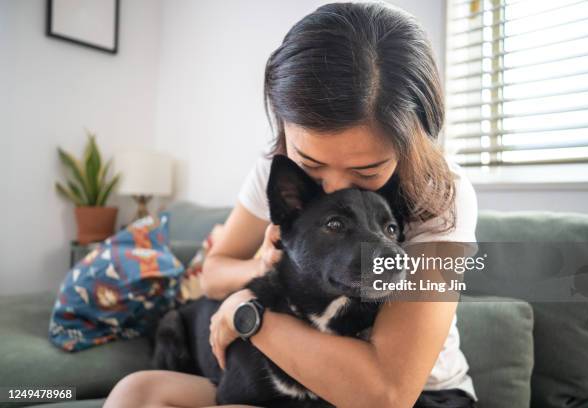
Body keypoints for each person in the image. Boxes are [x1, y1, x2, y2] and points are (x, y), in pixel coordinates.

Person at [104, 2, 478, 407]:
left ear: (415, 140)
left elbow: (386, 394)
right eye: (312, 164)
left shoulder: (440, 193)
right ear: (283, 125)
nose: (334, 187)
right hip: (293, 373)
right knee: (136, 393)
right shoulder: (280, 171)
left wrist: (246, 314)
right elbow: (214, 272)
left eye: (367, 172)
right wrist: (259, 266)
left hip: (413, 393)